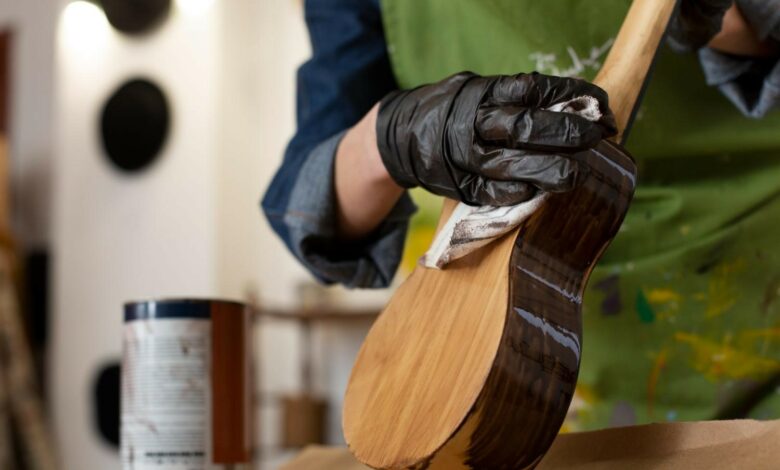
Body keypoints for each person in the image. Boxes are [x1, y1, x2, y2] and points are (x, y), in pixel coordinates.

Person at [263, 0, 780, 430]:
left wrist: (738, 22)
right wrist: (390, 140)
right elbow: (307, 206)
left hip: (755, 305)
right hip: (520, 370)